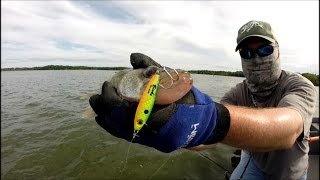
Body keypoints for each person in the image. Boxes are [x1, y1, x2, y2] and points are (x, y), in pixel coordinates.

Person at [89, 20, 316, 180]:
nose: (256, 58)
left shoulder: (299, 85)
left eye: (265, 49)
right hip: (253, 163)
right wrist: (180, 132)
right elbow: (210, 138)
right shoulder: (238, 92)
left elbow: (289, 129)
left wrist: (208, 120)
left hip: (292, 174)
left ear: (278, 51)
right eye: (246, 53)